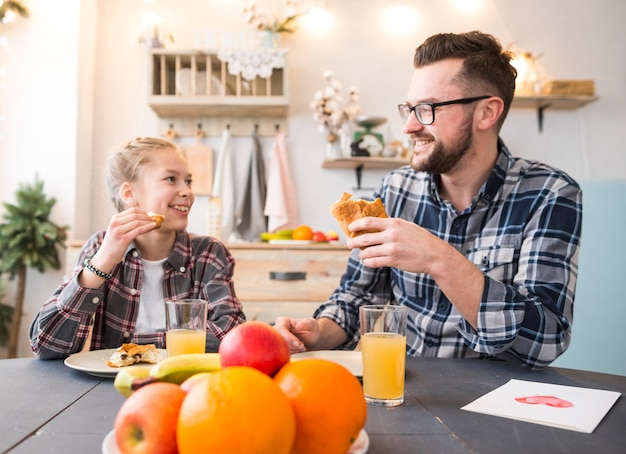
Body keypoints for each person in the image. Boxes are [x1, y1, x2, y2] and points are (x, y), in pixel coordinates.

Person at [275, 31, 583, 369]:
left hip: (501, 404)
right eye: (409, 109)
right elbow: (359, 297)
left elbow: (545, 341)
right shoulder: (395, 189)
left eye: (427, 109)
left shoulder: (550, 193)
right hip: (405, 391)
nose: (408, 126)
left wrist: (439, 258)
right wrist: (317, 332)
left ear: (486, 113)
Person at [30, 137, 246, 359]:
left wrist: (132, 348)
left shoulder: (208, 254)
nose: (187, 192)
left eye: (188, 181)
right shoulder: (98, 248)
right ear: (129, 194)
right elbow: (46, 345)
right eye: (171, 179)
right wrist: (102, 263)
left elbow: (231, 336)